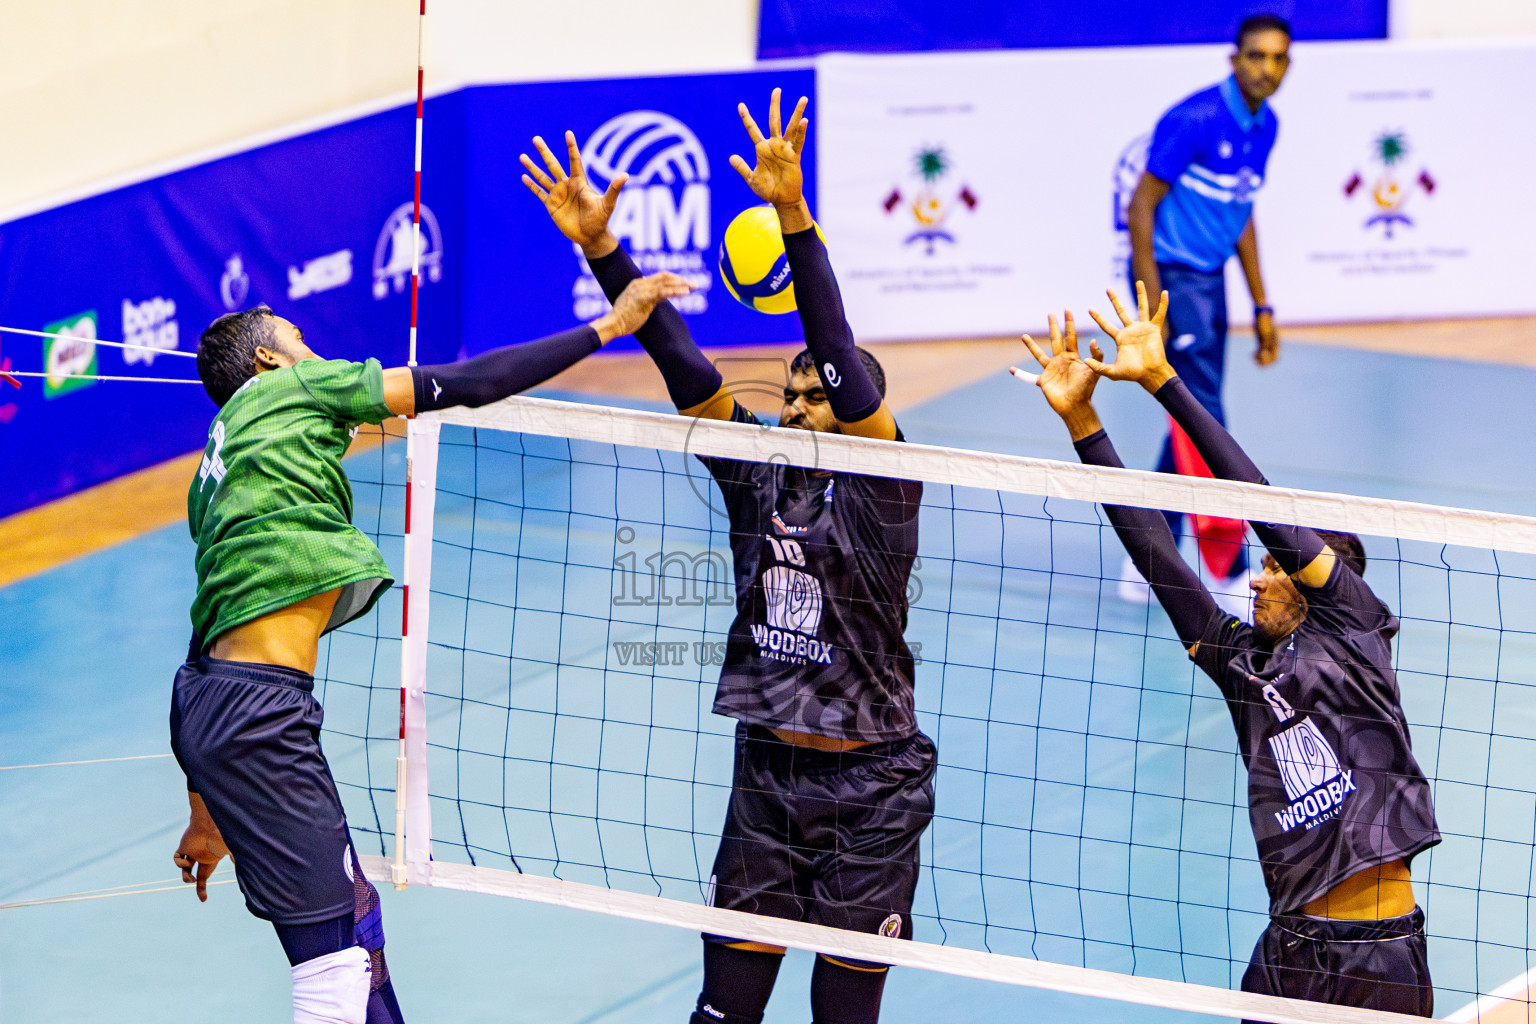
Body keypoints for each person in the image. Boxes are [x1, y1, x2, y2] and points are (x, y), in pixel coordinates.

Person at [171, 272, 691, 1024]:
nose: (315, 350)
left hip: (216, 708)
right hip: (260, 721)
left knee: (356, 921)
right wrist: (610, 327)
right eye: (300, 339)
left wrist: (203, 805)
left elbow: (198, 643)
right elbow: (472, 381)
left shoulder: (214, 473)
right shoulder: (298, 391)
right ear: (269, 364)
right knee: (334, 967)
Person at [520, 88, 933, 1024]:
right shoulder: (759, 478)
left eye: (817, 400)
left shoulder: (886, 489)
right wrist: (600, 248)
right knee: (723, 1015)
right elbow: (689, 373)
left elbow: (836, 354)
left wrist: (794, 217)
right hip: (769, 779)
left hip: (874, 789)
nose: (797, 410)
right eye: (788, 399)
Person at [1014, 282, 1439, 1019]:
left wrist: (1164, 385)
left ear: (1320, 579)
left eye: (1276, 567)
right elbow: (1160, 559)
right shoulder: (1242, 666)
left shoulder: (1356, 624)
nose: (1258, 575)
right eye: (1263, 564)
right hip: (1288, 950)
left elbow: (1259, 503)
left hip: (1379, 953)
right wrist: (1085, 424)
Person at [1124, 13, 1292, 602]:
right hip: (1171, 280)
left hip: (1209, 278)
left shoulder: (1264, 125)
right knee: (1206, 421)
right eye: (1255, 56)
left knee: (1190, 419)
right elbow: (1140, 207)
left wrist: (1262, 305)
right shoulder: (1193, 119)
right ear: (1234, 58)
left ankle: (1152, 556)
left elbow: (1240, 216)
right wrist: (1154, 305)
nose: (1265, 68)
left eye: (1277, 58)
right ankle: (1226, 571)